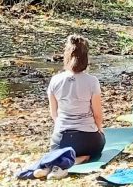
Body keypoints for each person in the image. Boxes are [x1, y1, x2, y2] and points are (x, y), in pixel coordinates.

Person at [36, 34, 105, 179]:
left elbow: (54, 114)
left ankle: (52, 164)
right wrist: (99, 130)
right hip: (87, 140)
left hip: (60, 139)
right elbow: (97, 115)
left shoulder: (55, 80)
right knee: (101, 142)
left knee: (61, 148)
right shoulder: (92, 81)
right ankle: (75, 161)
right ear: (85, 57)